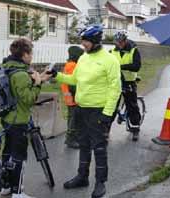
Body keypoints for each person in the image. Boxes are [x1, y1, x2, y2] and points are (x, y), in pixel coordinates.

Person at [50, 25, 121, 198]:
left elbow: (115, 88)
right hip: (81, 109)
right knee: (83, 144)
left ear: (96, 41)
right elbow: (74, 79)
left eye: (86, 41)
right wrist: (56, 75)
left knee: (99, 147)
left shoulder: (109, 60)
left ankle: (100, 183)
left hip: (98, 110)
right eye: (82, 41)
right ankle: (82, 177)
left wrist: (107, 113)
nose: (83, 44)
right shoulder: (83, 58)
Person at [0, 38, 51, 198]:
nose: (32, 56)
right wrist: (37, 84)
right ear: (25, 54)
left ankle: (6, 186)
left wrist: (39, 78)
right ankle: (18, 192)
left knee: (7, 153)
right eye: (31, 53)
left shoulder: (8, 67)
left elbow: (17, 90)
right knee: (19, 157)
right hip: (19, 120)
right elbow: (28, 98)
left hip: (7, 117)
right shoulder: (21, 74)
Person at [110, 31, 142, 141]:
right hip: (116, 81)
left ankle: (135, 128)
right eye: (117, 42)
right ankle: (105, 131)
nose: (119, 44)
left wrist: (120, 66)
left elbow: (136, 66)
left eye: (121, 42)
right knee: (111, 106)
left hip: (129, 81)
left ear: (125, 40)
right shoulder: (112, 51)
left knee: (132, 106)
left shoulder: (133, 50)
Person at [61, 46, 84, 149]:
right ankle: (70, 139)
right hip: (72, 96)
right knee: (74, 119)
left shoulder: (68, 64)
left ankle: (72, 137)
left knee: (71, 117)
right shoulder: (73, 65)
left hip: (68, 95)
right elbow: (72, 83)